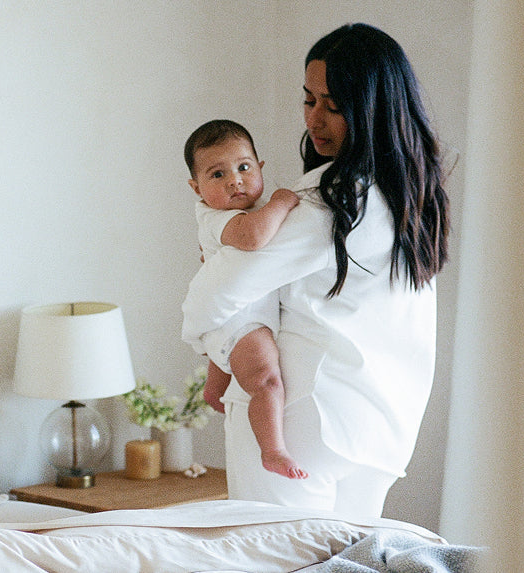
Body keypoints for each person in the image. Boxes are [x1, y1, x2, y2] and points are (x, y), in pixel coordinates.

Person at [181, 23, 449, 518]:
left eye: (334, 105)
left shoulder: (330, 200)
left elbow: (212, 300)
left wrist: (211, 329)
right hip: (379, 427)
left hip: (298, 417)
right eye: (309, 100)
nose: (315, 120)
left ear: (373, 108)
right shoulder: (413, 194)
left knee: (271, 557)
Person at [181, 119, 307, 480]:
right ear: (197, 188)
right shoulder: (216, 218)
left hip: (231, 317)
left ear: (259, 167)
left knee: (233, 356)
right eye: (217, 175)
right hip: (241, 319)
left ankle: (214, 387)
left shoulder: (247, 208)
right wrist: (282, 203)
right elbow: (253, 237)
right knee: (266, 380)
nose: (235, 180)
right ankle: (273, 450)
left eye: (244, 167)